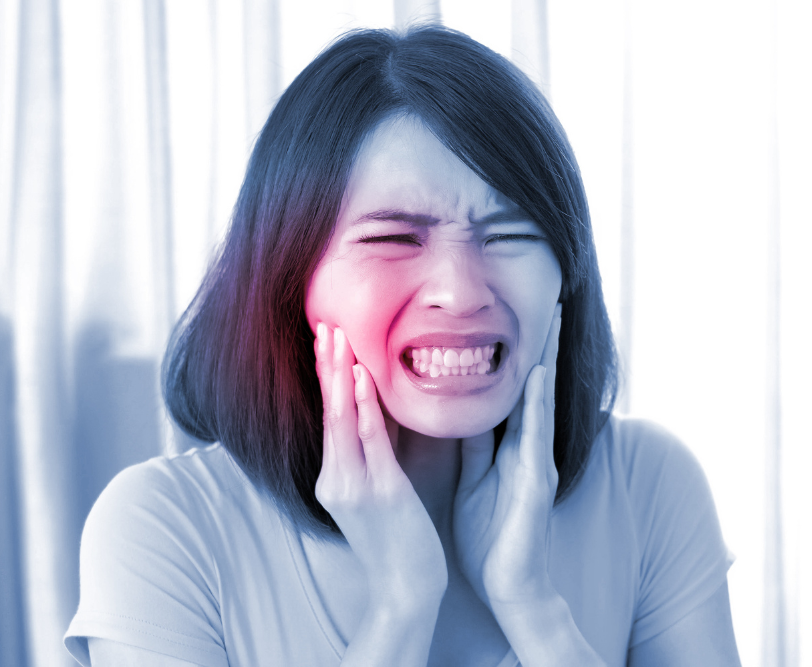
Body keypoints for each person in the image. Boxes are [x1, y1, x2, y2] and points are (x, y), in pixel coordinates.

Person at [64, 25, 740, 666]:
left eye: (509, 234)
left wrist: (534, 608)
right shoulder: (162, 530)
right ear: (287, 277)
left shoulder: (650, 485)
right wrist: (400, 606)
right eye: (393, 238)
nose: (460, 291)